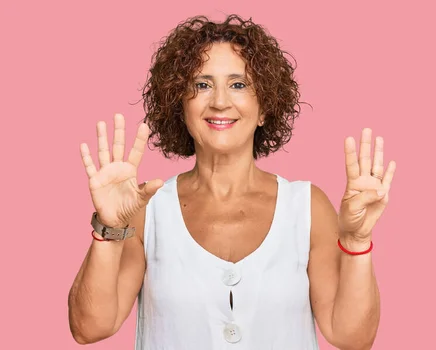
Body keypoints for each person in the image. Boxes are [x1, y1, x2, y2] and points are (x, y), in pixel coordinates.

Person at [68, 14, 396, 350]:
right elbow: (90, 327)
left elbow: (352, 337)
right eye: (202, 84)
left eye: (238, 85)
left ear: (265, 107)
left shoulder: (307, 207)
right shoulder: (146, 210)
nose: (220, 101)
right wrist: (107, 227)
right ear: (180, 104)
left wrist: (357, 241)